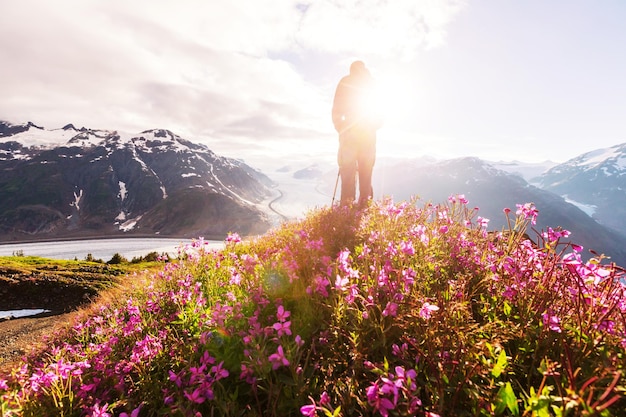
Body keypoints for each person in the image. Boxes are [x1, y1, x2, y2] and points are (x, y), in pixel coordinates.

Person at [332, 60, 383, 207]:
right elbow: (382, 112)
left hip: (348, 137)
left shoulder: (345, 81)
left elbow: (336, 109)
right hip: (368, 137)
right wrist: (373, 126)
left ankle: (346, 210)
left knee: (347, 173)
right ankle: (364, 210)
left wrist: (341, 128)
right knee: (366, 174)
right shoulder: (373, 83)